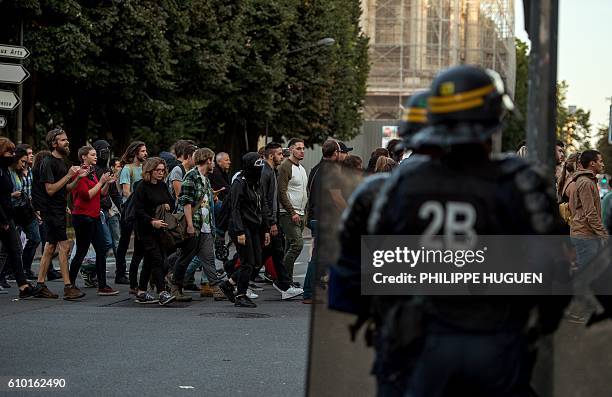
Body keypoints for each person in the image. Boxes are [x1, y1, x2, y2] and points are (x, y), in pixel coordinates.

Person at [31, 128, 89, 299]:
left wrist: (77, 177)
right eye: (63, 140)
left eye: (66, 139)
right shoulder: (48, 162)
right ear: (54, 143)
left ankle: (40, 285)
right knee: (64, 246)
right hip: (51, 211)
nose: (67, 142)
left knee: (50, 247)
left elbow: (66, 189)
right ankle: (68, 287)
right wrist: (69, 175)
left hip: (58, 210)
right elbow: (49, 189)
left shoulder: (62, 162)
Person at [170, 148, 226, 302]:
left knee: (208, 258)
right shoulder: (191, 176)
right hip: (194, 224)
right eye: (212, 160)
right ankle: (175, 286)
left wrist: (211, 196)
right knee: (184, 258)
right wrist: (189, 225)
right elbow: (186, 202)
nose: (213, 163)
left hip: (206, 226)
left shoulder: (205, 179)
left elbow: (203, 203)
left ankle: (216, 288)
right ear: (207, 160)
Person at [218, 153, 271, 308]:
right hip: (240, 227)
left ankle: (228, 284)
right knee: (247, 262)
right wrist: (240, 231)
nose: (259, 171)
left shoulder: (257, 182)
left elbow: (263, 205)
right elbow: (234, 209)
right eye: (257, 167)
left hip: (255, 226)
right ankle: (241, 294)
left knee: (256, 261)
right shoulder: (239, 184)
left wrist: (266, 228)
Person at [68, 146, 119, 296]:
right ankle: (70, 284)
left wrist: (107, 182)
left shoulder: (92, 172)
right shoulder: (80, 173)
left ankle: (102, 285)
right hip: (83, 217)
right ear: (84, 157)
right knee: (82, 251)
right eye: (92, 154)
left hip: (95, 215)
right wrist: (101, 181)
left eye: (96, 154)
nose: (96, 157)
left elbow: (101, 194)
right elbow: (87, 195)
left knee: (101, 249)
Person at [260, 142, 304, 300]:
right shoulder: (267, 172)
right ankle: (232, 281)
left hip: (274, 219)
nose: (282, 156)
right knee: (261, 257)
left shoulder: (272, 171)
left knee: (275, 253)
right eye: (279, 154)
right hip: (272, 220)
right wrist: (270, 223)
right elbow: (264, 200)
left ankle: (284, 284)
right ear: (271, 155)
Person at [131, 157, 175, 305]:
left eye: (163, 170)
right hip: (144, 229)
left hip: (160, 230)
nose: (161, 173)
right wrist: (152, 221)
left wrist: (168, 205)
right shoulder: (141, 187)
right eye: (158, 170)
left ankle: (142, 292)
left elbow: (171, 201)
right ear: (150, 170)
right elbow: (138, 210)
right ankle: (162, 292)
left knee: (149, 261)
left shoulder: (162, 185)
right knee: (157, 259)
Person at [0, 137, 38, 298]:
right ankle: (22, 285)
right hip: (3, 218)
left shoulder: (4, 170)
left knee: (14, 250)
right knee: (11, 250)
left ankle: (23, 285)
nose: (12, 154)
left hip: (8, 217)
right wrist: (3, 220)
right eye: (9, 151)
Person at [115, 141, 147, 285]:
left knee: (141, 240)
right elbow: (126, 192)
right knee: (124, 241)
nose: (145, 154)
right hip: (129, 210)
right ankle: (120, 273)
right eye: (142, 151)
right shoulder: (128, 169)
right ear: (135, 153)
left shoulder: (146, 168)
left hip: (141, 210)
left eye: (145, 151)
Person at [569, 150, 608, 269]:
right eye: (600, 161)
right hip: (585, 235)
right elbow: (590, 213)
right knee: (587, 274)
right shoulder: (585, 182)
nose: (603, 164)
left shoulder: (588, 180)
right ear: (592, 163)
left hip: (586, 234)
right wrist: (604, 234)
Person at [277, 138, 308, 284]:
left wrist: (303, 212)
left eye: (303, 148)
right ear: (290, 150)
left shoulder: (301, 168)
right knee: (297, 244)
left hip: (300, 212)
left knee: (290, 246)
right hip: (289, 213)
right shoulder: (285, 166)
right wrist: (292, 212)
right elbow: (282, 192)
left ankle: (287, 279)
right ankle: (282, 280)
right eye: (298, 148)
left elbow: (303, 191)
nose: (302, 151)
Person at [8, 147, 40, 281]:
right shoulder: (8, 173)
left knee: (34, 238)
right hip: (12, 211)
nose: (24, 164)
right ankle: (11, 273)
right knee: (12, 246)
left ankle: (23, 270)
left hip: (24, 210)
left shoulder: (22, 172)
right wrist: (12, 195)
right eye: (22, 161)